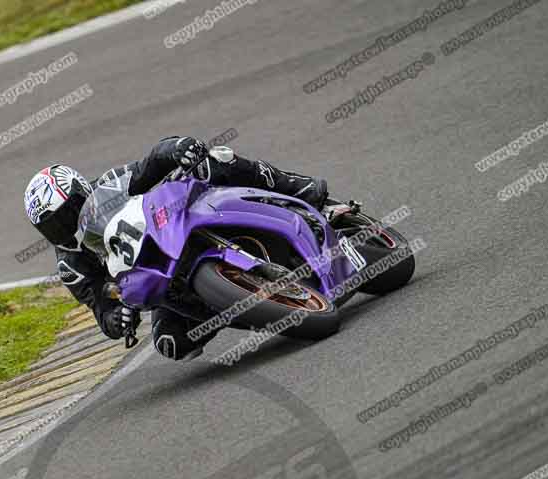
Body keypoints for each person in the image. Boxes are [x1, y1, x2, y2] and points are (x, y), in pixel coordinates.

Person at [24, 136, 328, 361]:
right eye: (52, 226)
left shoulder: (110, 186)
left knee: (214, 161)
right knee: (171, 343)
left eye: (67, 213)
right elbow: (101, 307)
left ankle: (293, 185)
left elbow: (151, 163)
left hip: (173, 228)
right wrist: (116, 319)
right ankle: (248, 306)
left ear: (82, 190)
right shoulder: (71, 266)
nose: (64, 227)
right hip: (161, 283)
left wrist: (177, 148)